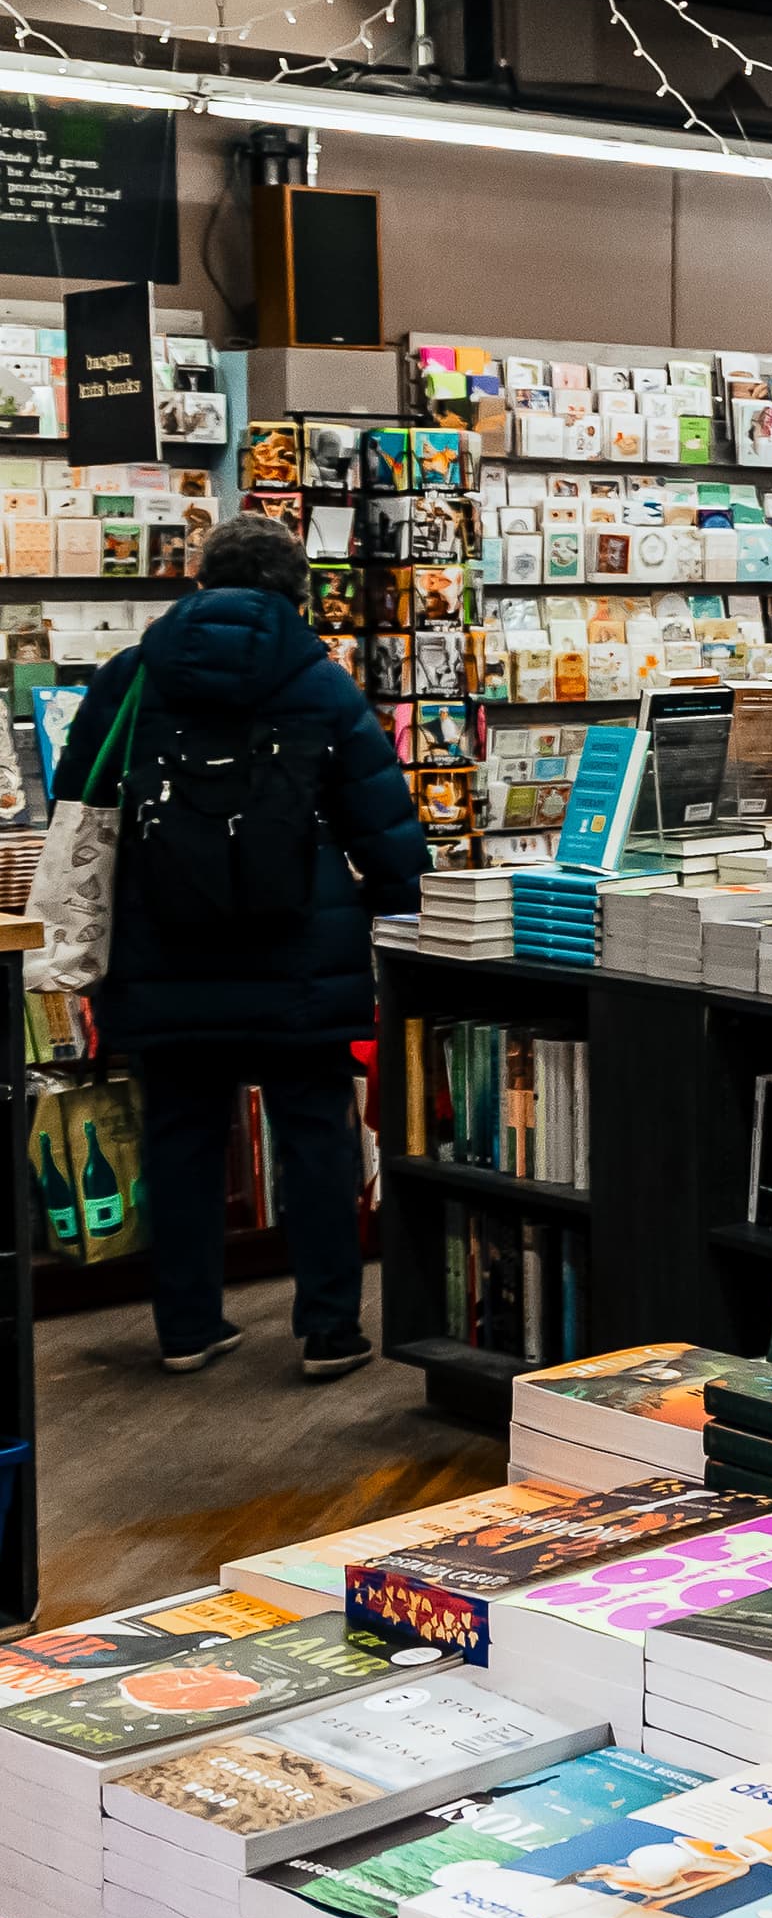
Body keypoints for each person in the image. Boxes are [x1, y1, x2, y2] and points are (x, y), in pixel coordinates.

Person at [53, 513, 426, 1376]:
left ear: (198, 578)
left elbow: (83, 801)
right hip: (298, 950)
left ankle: (187, 1328)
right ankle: (330, 1327)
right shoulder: (318, 681)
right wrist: (410, 918)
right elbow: (381, 819)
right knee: (315, 1135)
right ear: (297, 592)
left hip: (161, 950)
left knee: (178, 1138)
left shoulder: (132, 677)